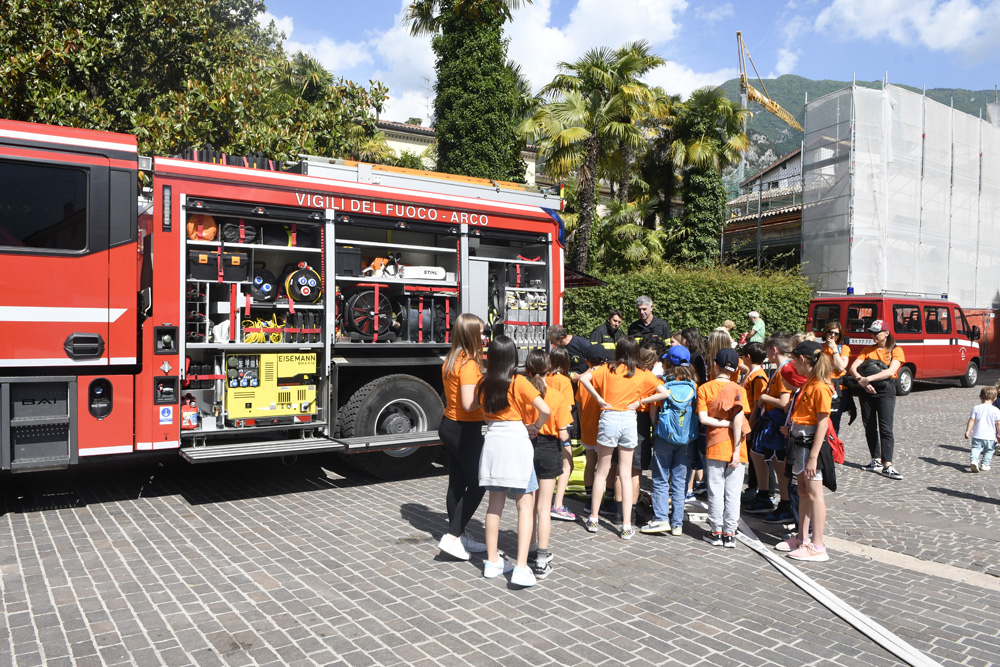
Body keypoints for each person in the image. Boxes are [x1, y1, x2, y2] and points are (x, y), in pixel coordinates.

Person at [477, 336, 550, 587]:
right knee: (525, 506)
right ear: (513, 357)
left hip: (494, 443)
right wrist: (536, 427)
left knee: (493, 506)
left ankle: (491, 561)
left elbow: (485, 416)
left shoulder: (483, 384)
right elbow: (546, 409)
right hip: (517, 443)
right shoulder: (519, 382)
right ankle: (520, 567)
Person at [578, 337, 667, 540]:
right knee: (626, 474)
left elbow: (583, 379)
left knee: (602, 470)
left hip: (609, 416)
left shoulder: (608, 368)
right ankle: (626, 524)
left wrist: (599, 398)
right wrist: (641, 401)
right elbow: (664, 393)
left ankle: (593, 518)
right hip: (628, 418)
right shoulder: (641, 373)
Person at [437, 313, 489, 561]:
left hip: (449, 425)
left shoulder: (452, 358)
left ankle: (461, 534)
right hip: (465, 429)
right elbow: (469, 404)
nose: (483, 336)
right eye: (480, 332)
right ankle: (453, 535)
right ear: (469, 334)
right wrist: (492, 401)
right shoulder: (468, 364)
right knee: (479, 483)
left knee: (457, 483)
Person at [780, 340, 834, 562]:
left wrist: (813, 457)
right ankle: (803, 539)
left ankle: (818, 545)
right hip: (799, 442)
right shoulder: (809, 382)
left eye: (795, 361)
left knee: (814, 494)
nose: (794, 365)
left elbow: (823, 423)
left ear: (802, 360)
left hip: (810, 446)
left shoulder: (820, 386)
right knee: (802, 491)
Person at [524, 349, 572, 580]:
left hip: (526, 447)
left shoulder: (522, 392)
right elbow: (563, 433)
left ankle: (530, 549)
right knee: (544, 508)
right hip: (549, 448)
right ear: (548, 369)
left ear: (527, 369)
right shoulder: (556, 395)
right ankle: (541, 561)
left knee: (527, 507)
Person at [641, 345, 698, 536]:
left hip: (664, 436)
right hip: (686, 438)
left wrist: (655, 429)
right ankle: (677, 523)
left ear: (668, 363)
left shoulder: (662, 382)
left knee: (660, 478)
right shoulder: (694, 385)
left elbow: (653, 410)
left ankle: (660, 518)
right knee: (680, 480)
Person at [697, 348, 750, 548]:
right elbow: (738, 419)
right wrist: (736, 450)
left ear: (715, 364)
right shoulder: (739, 390)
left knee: (715, 490)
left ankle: (716, 530)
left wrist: (722, 423)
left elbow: (703, 419)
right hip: (737, 446)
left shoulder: (704, 388)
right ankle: (730, 533)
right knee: (733, 492)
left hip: (714, 443)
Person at [848, 320, 905, 480]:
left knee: (886, 428)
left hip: (886, 391)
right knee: (869, 426)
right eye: (871, 332)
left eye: (876, 332)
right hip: (867, 391)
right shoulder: (868, 349)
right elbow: (853, 368)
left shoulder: (896, 350)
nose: (872, 335)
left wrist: (867, 379)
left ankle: (888, 464)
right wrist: (862, 381)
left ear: (886, 333)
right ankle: (876, 459)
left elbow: (890, 372)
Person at [747, 333, 794, 523]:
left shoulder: (785, 370)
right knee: (759, 455)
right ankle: (764, 495)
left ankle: (785, 503)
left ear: (773, 350)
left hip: (777, 423)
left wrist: (764, 398)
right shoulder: (780, 368)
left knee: (778, 464)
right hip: (771, 422)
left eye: (767, 350)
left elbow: (784, 402)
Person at [547, 346, 577, 521]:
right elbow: (568, 407)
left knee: (549, 468)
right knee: (567, 465)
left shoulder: (544, 378)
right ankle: (557, 504)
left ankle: (544, 501)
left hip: (545, 427)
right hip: (561, 428)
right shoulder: (564, 381)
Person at [577, 344, 606, 503]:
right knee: (604, 466)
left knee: (590, 463)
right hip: (603, 425)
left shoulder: (582, 380)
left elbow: (580, 406)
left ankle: (589, 498)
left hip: (587, 425)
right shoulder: (606, 376)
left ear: (586, 361)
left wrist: (582, 424)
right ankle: (604, 497)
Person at [820, 321, 852, 434]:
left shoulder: (843, 349)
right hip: (822, 387)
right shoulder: (820, 348)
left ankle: (833, 448)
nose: (832, 336)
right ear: (825, 333)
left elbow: (840, 367)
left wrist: (834, 350)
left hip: (839, 390)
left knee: (834, 421)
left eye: (836, 334)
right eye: (830, 332)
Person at [965, 386, 1000, 473]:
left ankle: (974, 460)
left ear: (980, 397)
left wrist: (968, 431)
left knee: (976, 448)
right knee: (989, 450)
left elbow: (972, 420)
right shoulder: (996, 410)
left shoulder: (976, 408)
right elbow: (998, 423)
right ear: (995, 398)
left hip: (978, 434)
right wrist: (999, 433)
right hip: (990, 436)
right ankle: (985, 464)